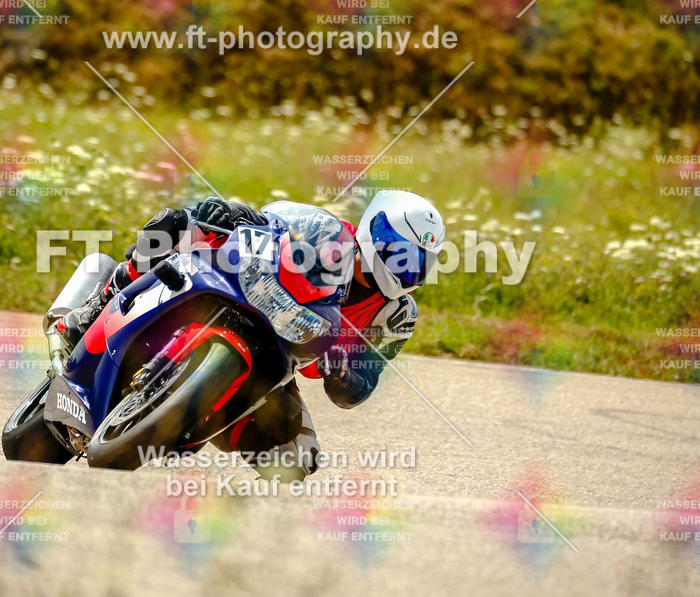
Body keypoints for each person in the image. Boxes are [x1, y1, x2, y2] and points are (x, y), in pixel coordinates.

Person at [52, 190, 445, 480]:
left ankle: (188, 417)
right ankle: (98, 303)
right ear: (374, 231)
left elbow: (361, 388)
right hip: (240, 288)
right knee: (177, 223)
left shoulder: (395, 315)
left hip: (279, 355)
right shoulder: (325, 231)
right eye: (397, 252)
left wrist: (345, 374)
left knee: (297, 460)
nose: (402, 268)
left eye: (415, 264)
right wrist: (234, 212)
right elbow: (270, 217)